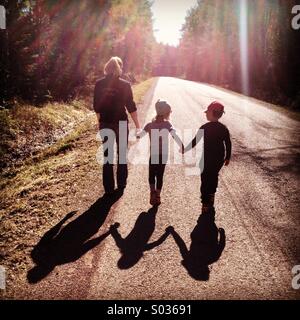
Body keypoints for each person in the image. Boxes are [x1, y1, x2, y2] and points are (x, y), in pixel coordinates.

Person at [93, 56, 140, 195]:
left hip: (105, 123)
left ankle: (108, 188)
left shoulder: (99, 84)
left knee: (108, 156)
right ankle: (121, 184)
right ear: (119, 67)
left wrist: (99, 122)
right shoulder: (125, 84)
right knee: (122, 154)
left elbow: (96, 106)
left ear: (107, 67)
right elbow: (131, 106)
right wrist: (138, 125)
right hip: (121, 123)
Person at [183, 101, 231, 212]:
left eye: (207, 113)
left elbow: (195, 141)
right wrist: (228, 156)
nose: (205, 114)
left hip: (206, 158)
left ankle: (205, 203)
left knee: (205, 179)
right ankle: (211, 196)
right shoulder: (223, 128)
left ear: (211, 113)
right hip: (219, 158)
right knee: (213, 176)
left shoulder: (204, 127)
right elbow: (228, 143)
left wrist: (186, 149)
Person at [138, 100, 184, 206]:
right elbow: (174, 135)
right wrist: (181, 145)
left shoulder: (149, 125)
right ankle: (158, 196)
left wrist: (137, 133)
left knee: (151, 174)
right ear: (167, 113)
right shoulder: (167, 124)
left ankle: (152, 192)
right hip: (163, 155)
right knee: (160, 175)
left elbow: (140, 135)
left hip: (153, 154)